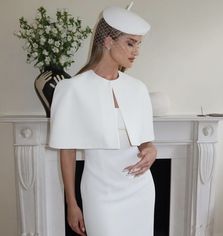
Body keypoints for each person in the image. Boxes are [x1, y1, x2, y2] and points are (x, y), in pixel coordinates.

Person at [49, 4, 157, 236]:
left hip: (140, 190)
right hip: (100, 194)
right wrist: (72, 203)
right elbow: (66, 151)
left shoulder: (138, 89)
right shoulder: (71, 89)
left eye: (139, 44)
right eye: (130, 43)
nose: (136, 51)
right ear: (108, 41)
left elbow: (145, 143)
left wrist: (151, 150)